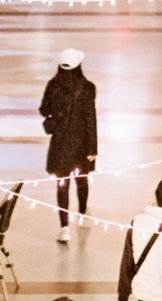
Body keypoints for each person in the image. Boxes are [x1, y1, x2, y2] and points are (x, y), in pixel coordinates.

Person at [40, 48, 98, 244]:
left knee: (62, 185)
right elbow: (91, 119)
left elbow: (43, 109)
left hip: (60, 144)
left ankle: (64, 227)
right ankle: (82, 214)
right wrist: (93, 149)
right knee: (82, 180)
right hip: (81, 145)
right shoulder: (88, 88)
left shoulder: (53, 85)